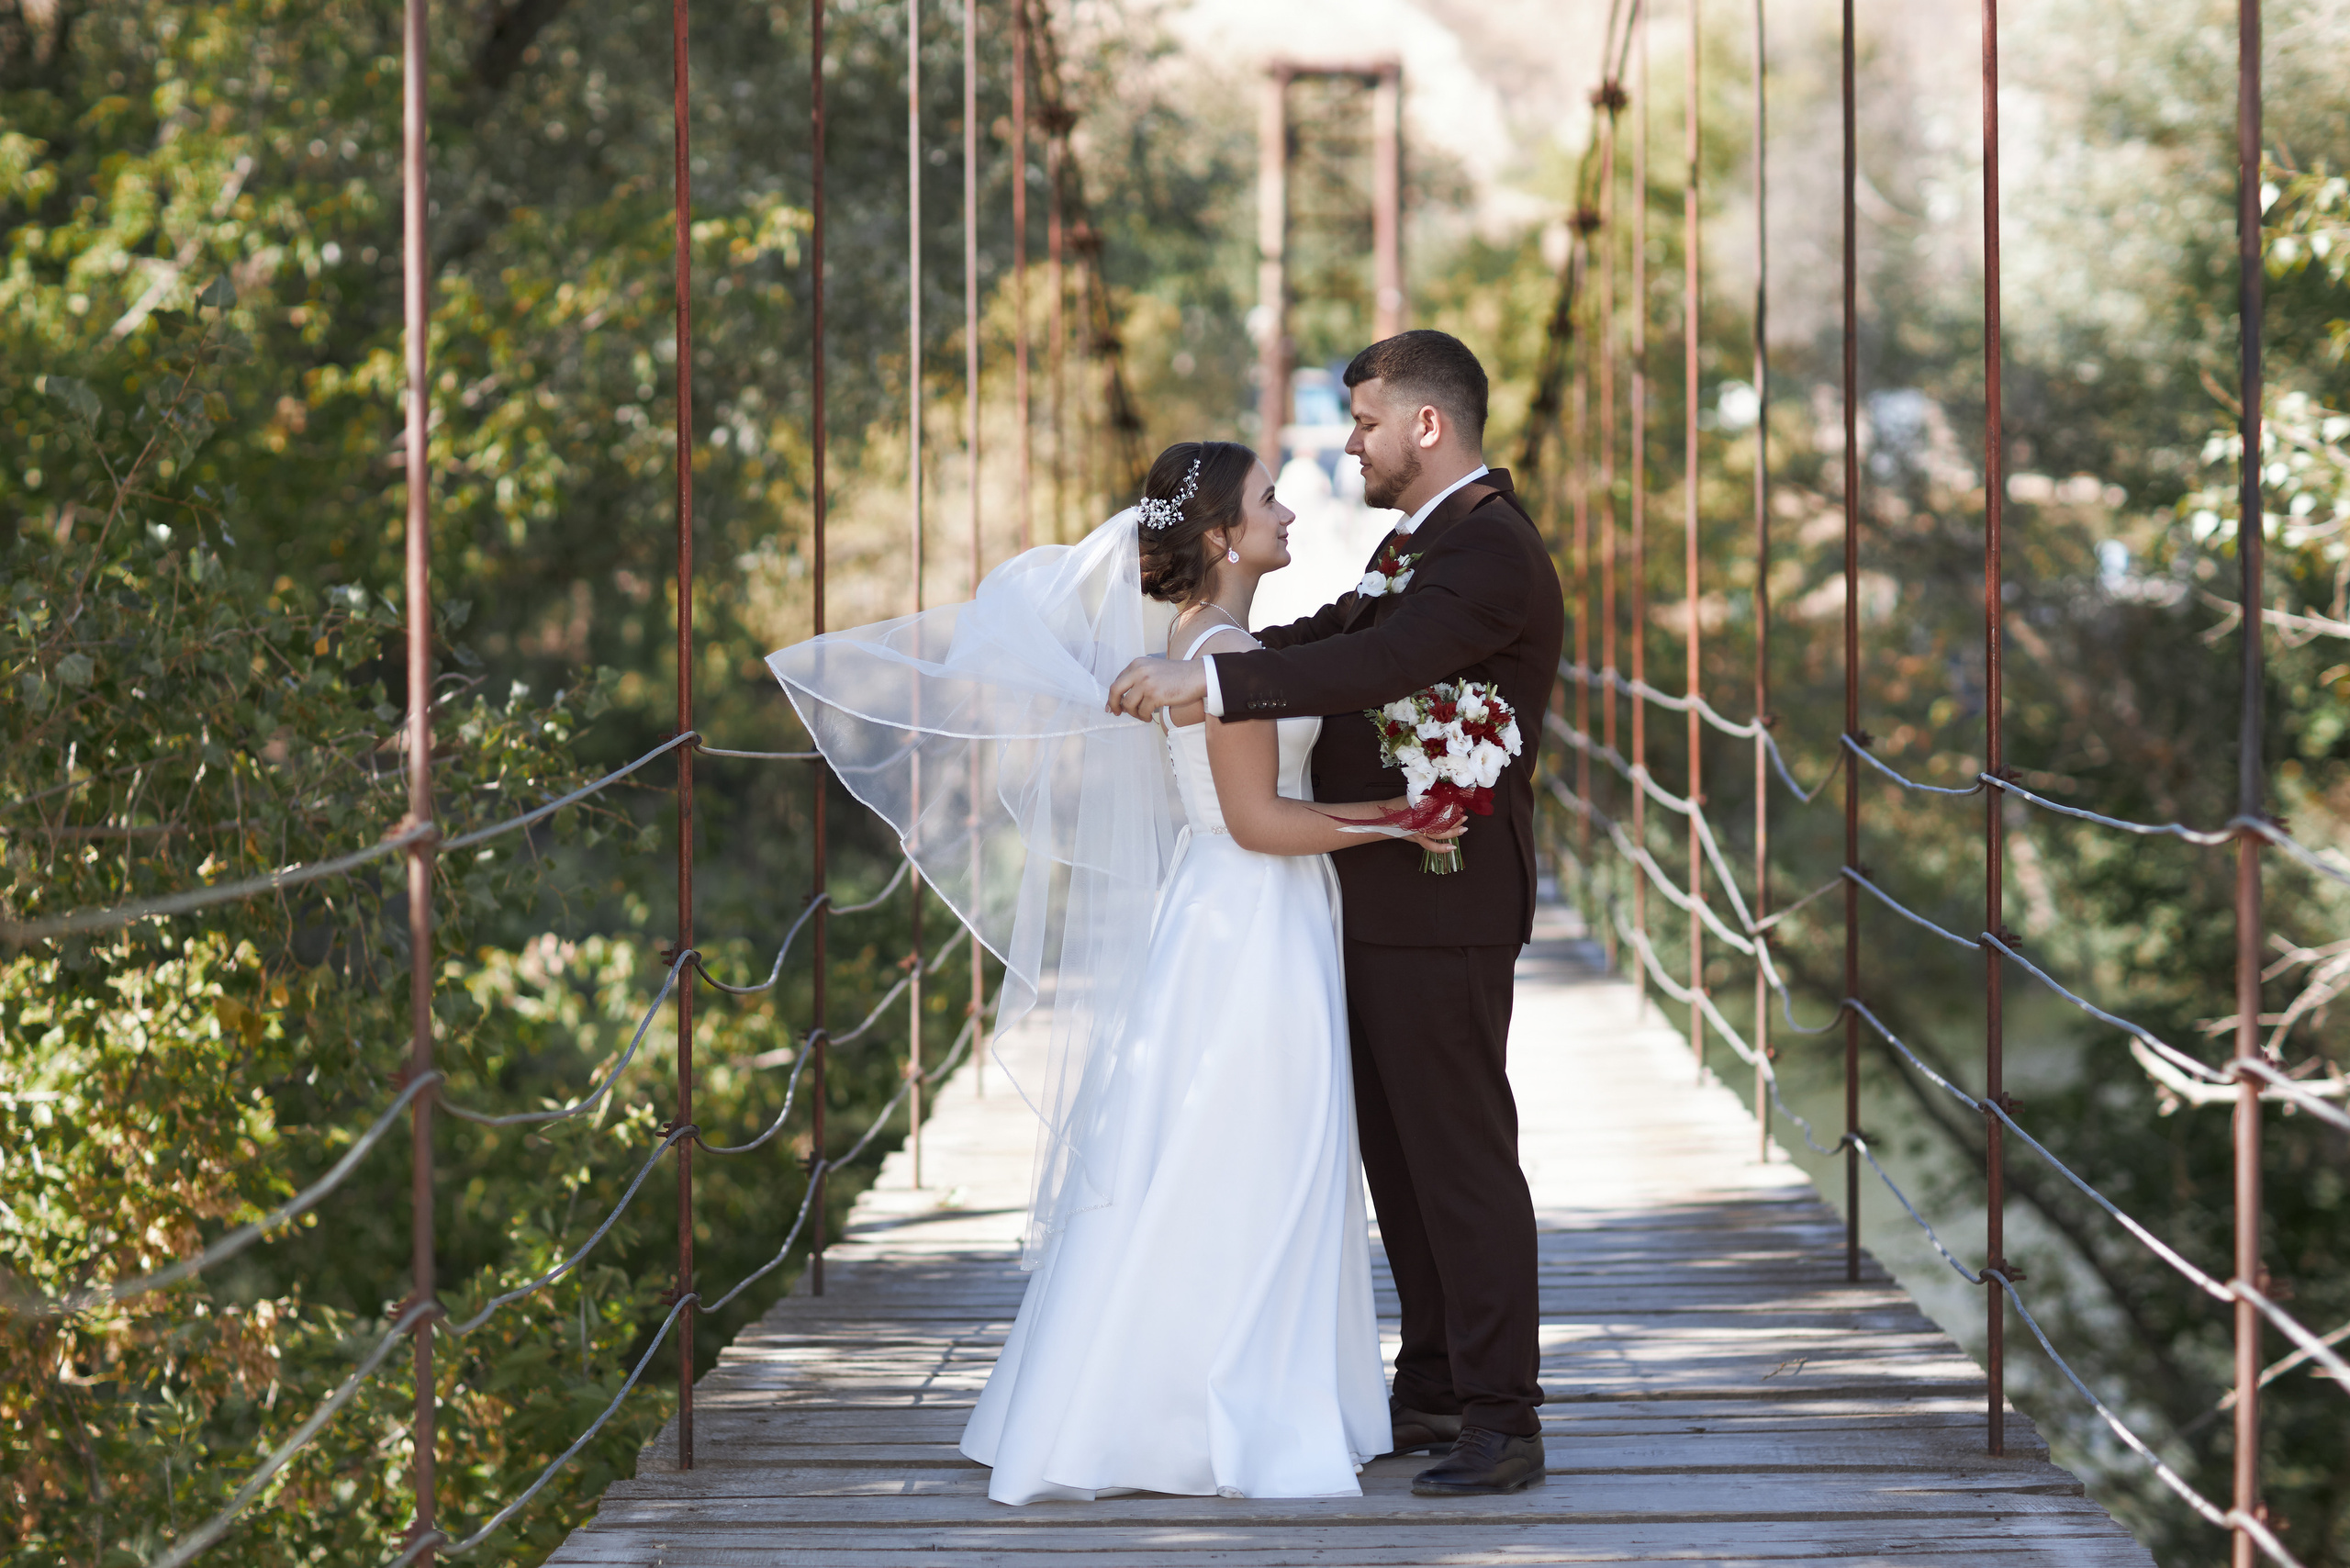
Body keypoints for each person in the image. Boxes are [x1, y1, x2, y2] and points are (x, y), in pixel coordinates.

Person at [769, 439, 1459, 1506]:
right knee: (1258, 1154)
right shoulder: (1221, 644)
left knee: (1225, 1151)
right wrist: (1393, 826)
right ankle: (1207, 1416)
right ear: (1223, 536)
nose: (1289, 512)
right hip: (1251, 921)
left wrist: (1391, 808)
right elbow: (1256, 821)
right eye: (1268, 500)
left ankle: (1176, 1394)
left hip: (1234, 911)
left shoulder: (1202, 639)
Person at [1105, 330, 1565, 1498]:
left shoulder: (1491, 552)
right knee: (1399, 1157)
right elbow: (1331, 644)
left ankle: (1503, 1418)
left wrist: (1211, 682)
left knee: (1458, 1155)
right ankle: (1437, 1384)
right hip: (1374, 894)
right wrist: (1226, 656)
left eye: (1360, 421)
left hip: (1446, 891)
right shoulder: (1418, 542)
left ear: (1425, 425)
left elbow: (1393, 661)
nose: (1345, 442)